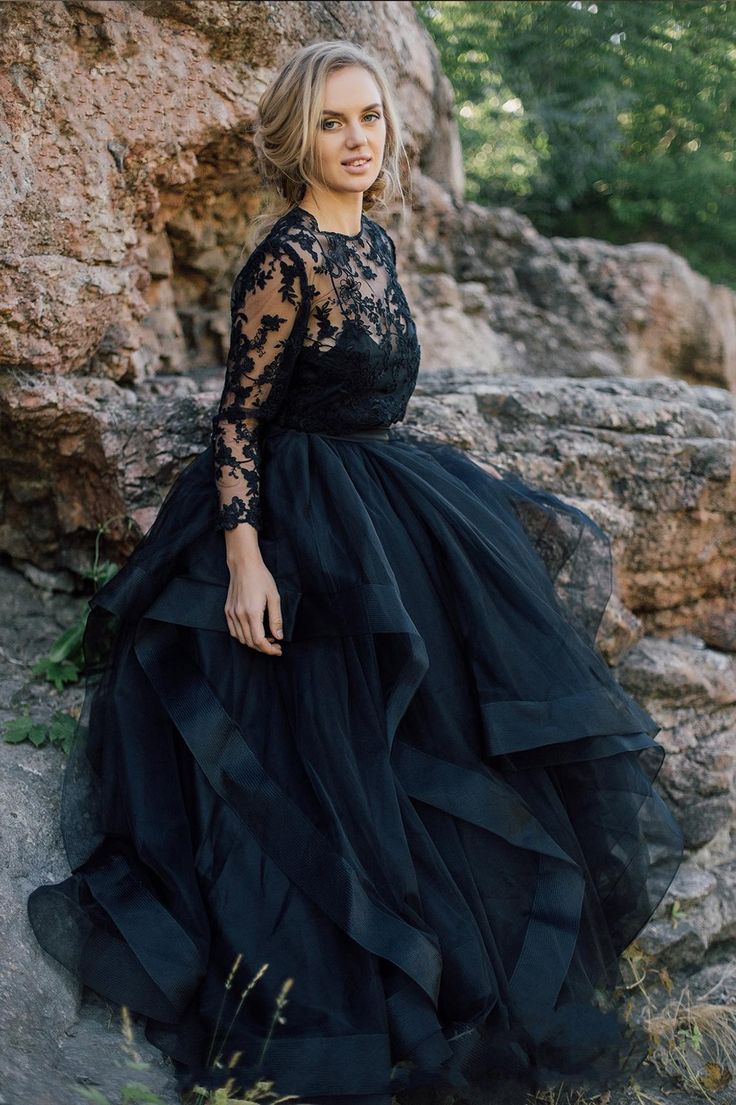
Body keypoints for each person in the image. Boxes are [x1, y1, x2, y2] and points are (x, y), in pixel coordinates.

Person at [27, 39, 684, 1105]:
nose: (357, 139)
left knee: (449, 721)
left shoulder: (373, 243)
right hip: (297, 520)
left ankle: (462, 955)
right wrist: (244, 560)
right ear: (298, 137)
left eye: (369, 117)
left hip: (385, 498)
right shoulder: (282, 260)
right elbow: (237, 417)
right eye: (333, 122)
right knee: (334, 748)